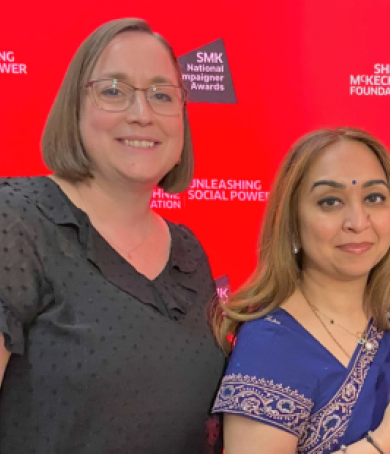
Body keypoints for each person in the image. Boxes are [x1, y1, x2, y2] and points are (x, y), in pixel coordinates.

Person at [0, 19, 224, 453]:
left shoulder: (188, 251)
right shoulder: (16, 219)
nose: (141, 114)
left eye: (161, 95)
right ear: (75, 108)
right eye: (114, 91)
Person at [211, 128, 390, 453]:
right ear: (292, 222)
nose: (358, 221)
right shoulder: (270, 345)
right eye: (330, 201)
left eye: (374, 198)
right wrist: (385, 440)